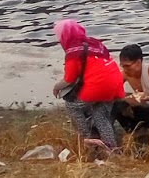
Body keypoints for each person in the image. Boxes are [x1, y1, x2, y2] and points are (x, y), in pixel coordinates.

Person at [52, 20, 122, 150]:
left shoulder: (73, 50)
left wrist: (56, 88)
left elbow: (69, 79)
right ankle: (112, 150)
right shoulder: (96, 43)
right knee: (101, 117)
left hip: (98, 87)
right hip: (115, 84)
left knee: (72, 105)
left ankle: (86, 139)